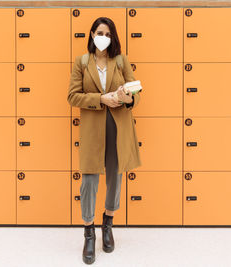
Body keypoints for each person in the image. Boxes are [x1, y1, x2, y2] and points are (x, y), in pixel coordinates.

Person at [67, 16, 142, 265]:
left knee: (114, 176)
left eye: (109, 34)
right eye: (100, 32)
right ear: (91, 34)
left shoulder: (120, 60)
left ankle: (107, 224)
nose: (104, 37)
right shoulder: (82, 62)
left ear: (113, 37)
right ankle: (89, 232)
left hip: (118, 125)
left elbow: (136, 92)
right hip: (92, 128)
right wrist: (101, 98)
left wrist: (127, 98)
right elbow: (73, 96)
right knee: (89, 180)